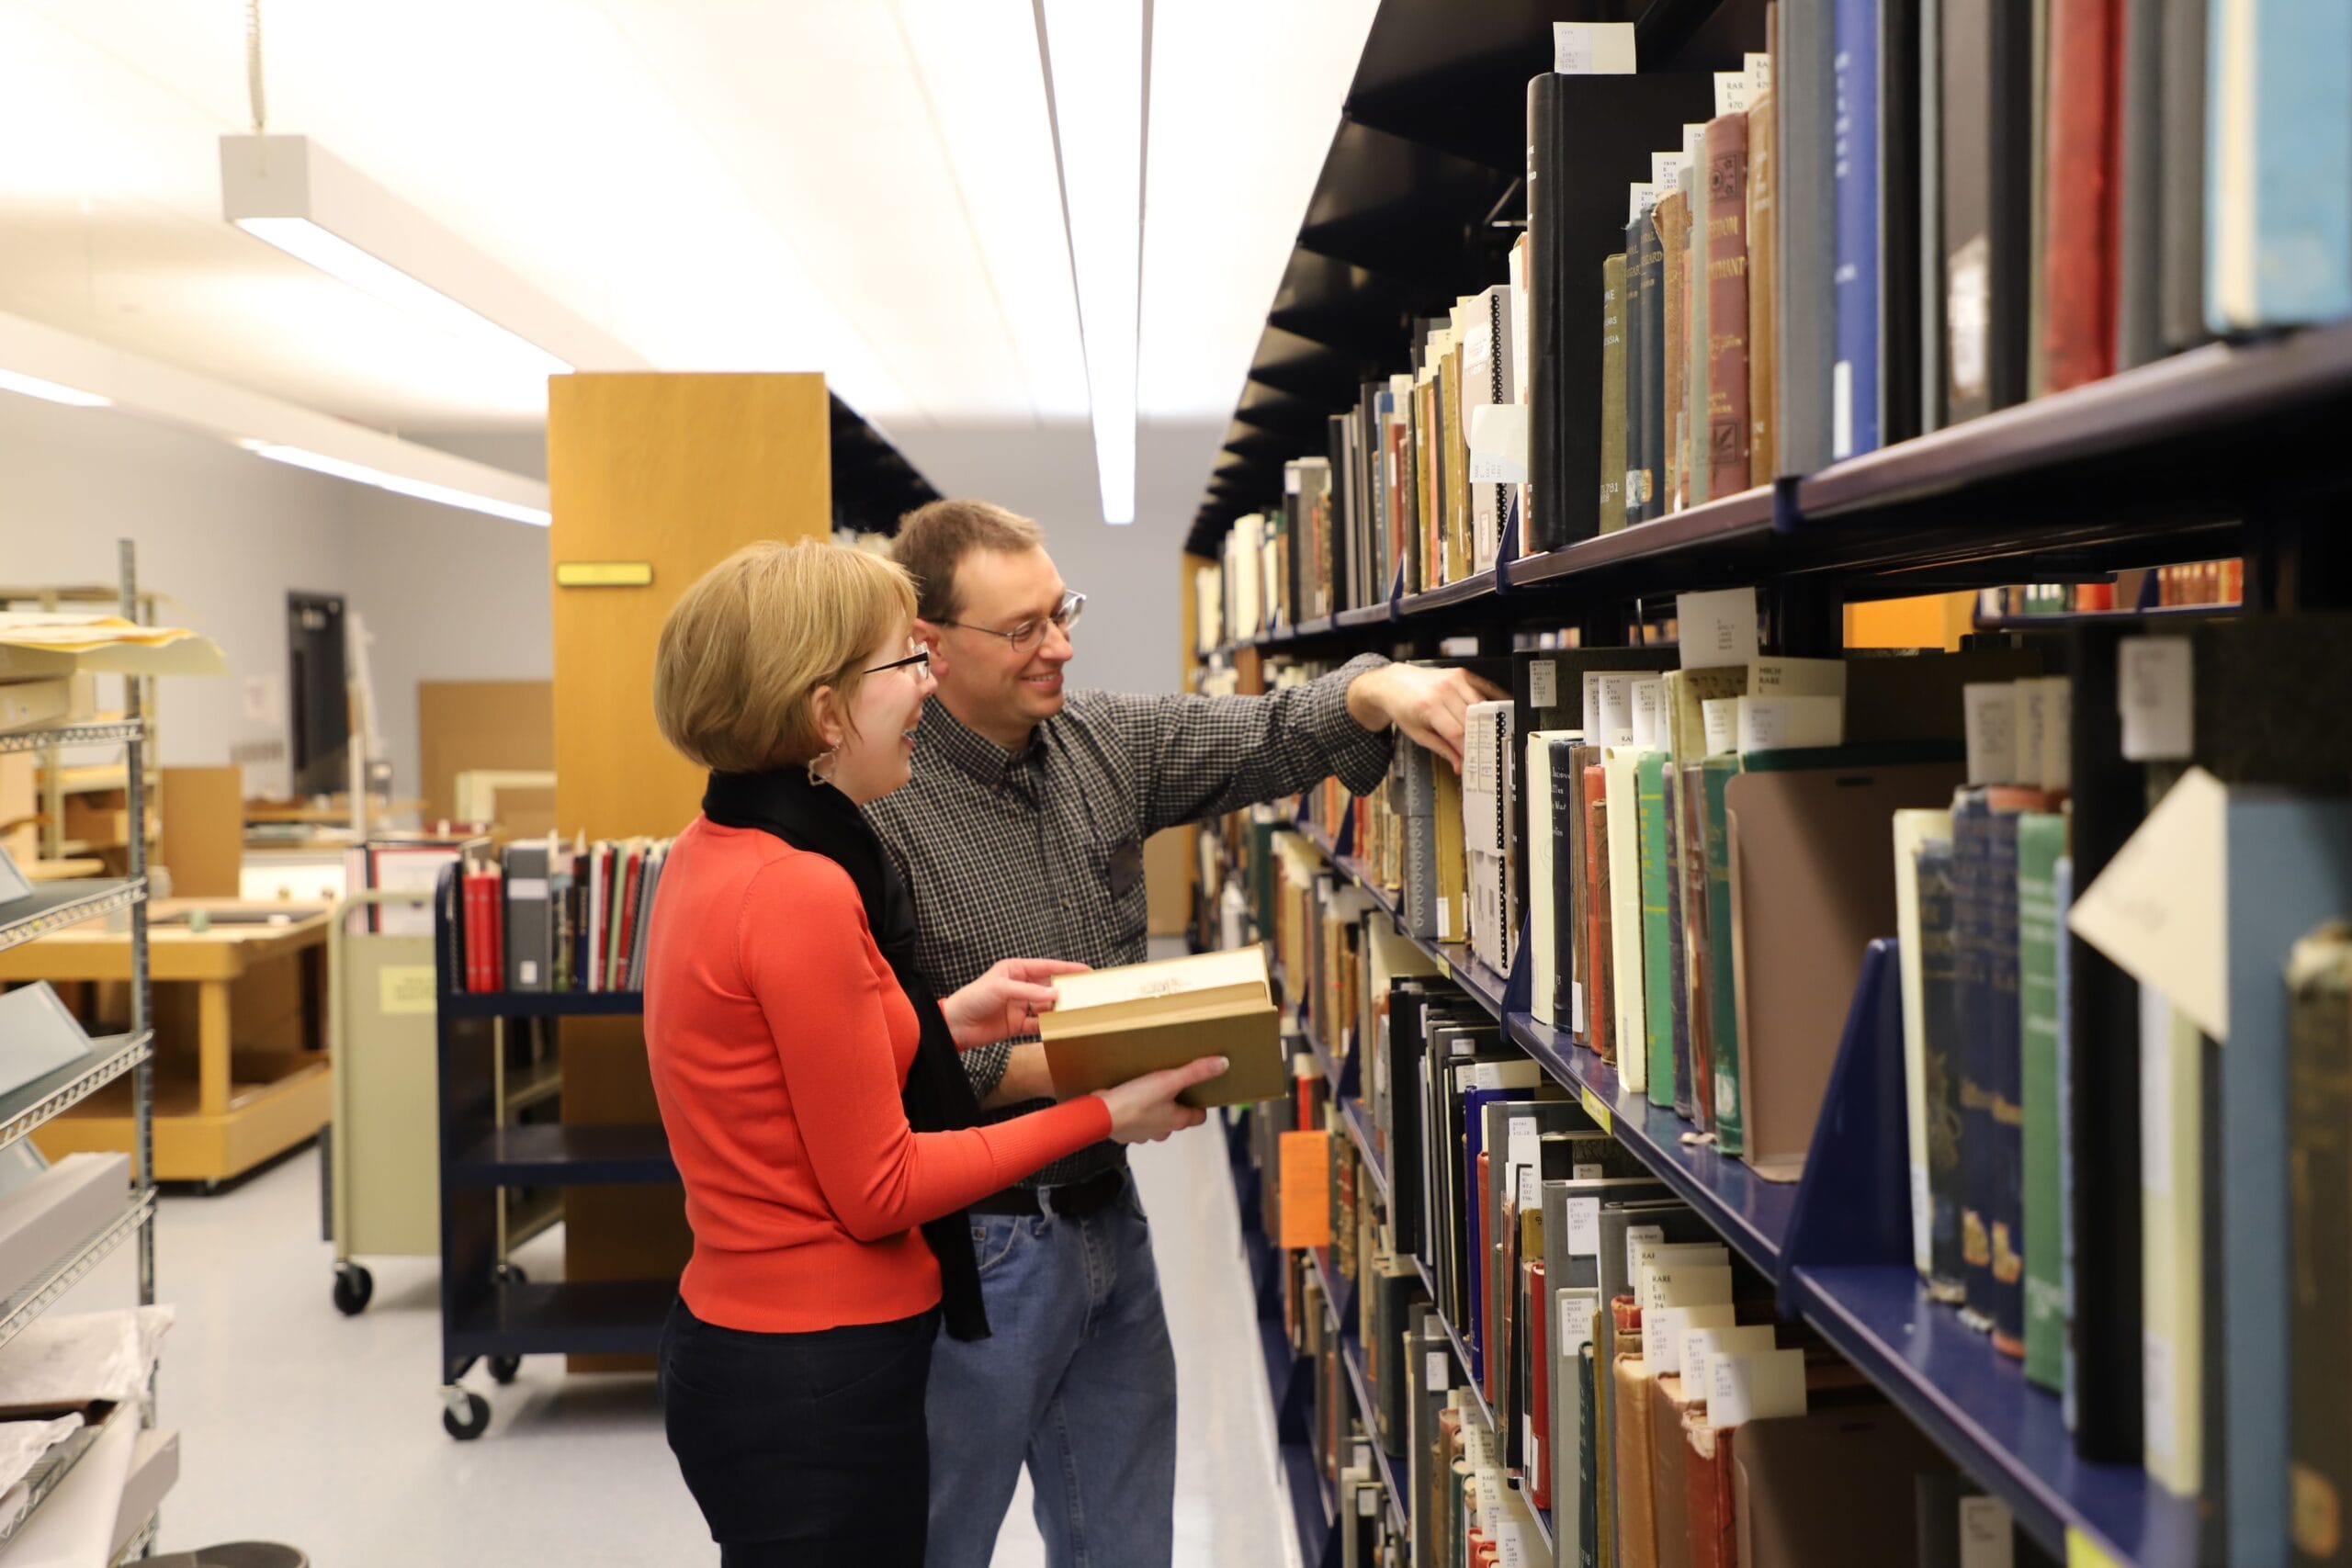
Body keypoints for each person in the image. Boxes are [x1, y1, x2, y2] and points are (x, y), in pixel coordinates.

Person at [865, 499, 1506, 1567]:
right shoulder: (874, 806)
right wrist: (1095, 1083)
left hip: (1109, 1223)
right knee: (934, 1544)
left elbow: (1269, 734)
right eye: (1022, 629)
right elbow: (876, 1072)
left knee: (1125, 1546)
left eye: (1060, 612)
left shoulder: (1098, 742)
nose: (1059, 646)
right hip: (970, 1251)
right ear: (929, 644)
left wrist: (1378, 685)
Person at [640, 538, 1227, 1568]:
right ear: (827, 714)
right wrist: (1104, 1113)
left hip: (747, 1338)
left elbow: (779, 1061)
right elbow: (882, 1187)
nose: (926, 684)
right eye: (903, 662)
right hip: (816, 1369)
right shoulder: (801, 889)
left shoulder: (714, 849)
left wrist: (948, 1019)